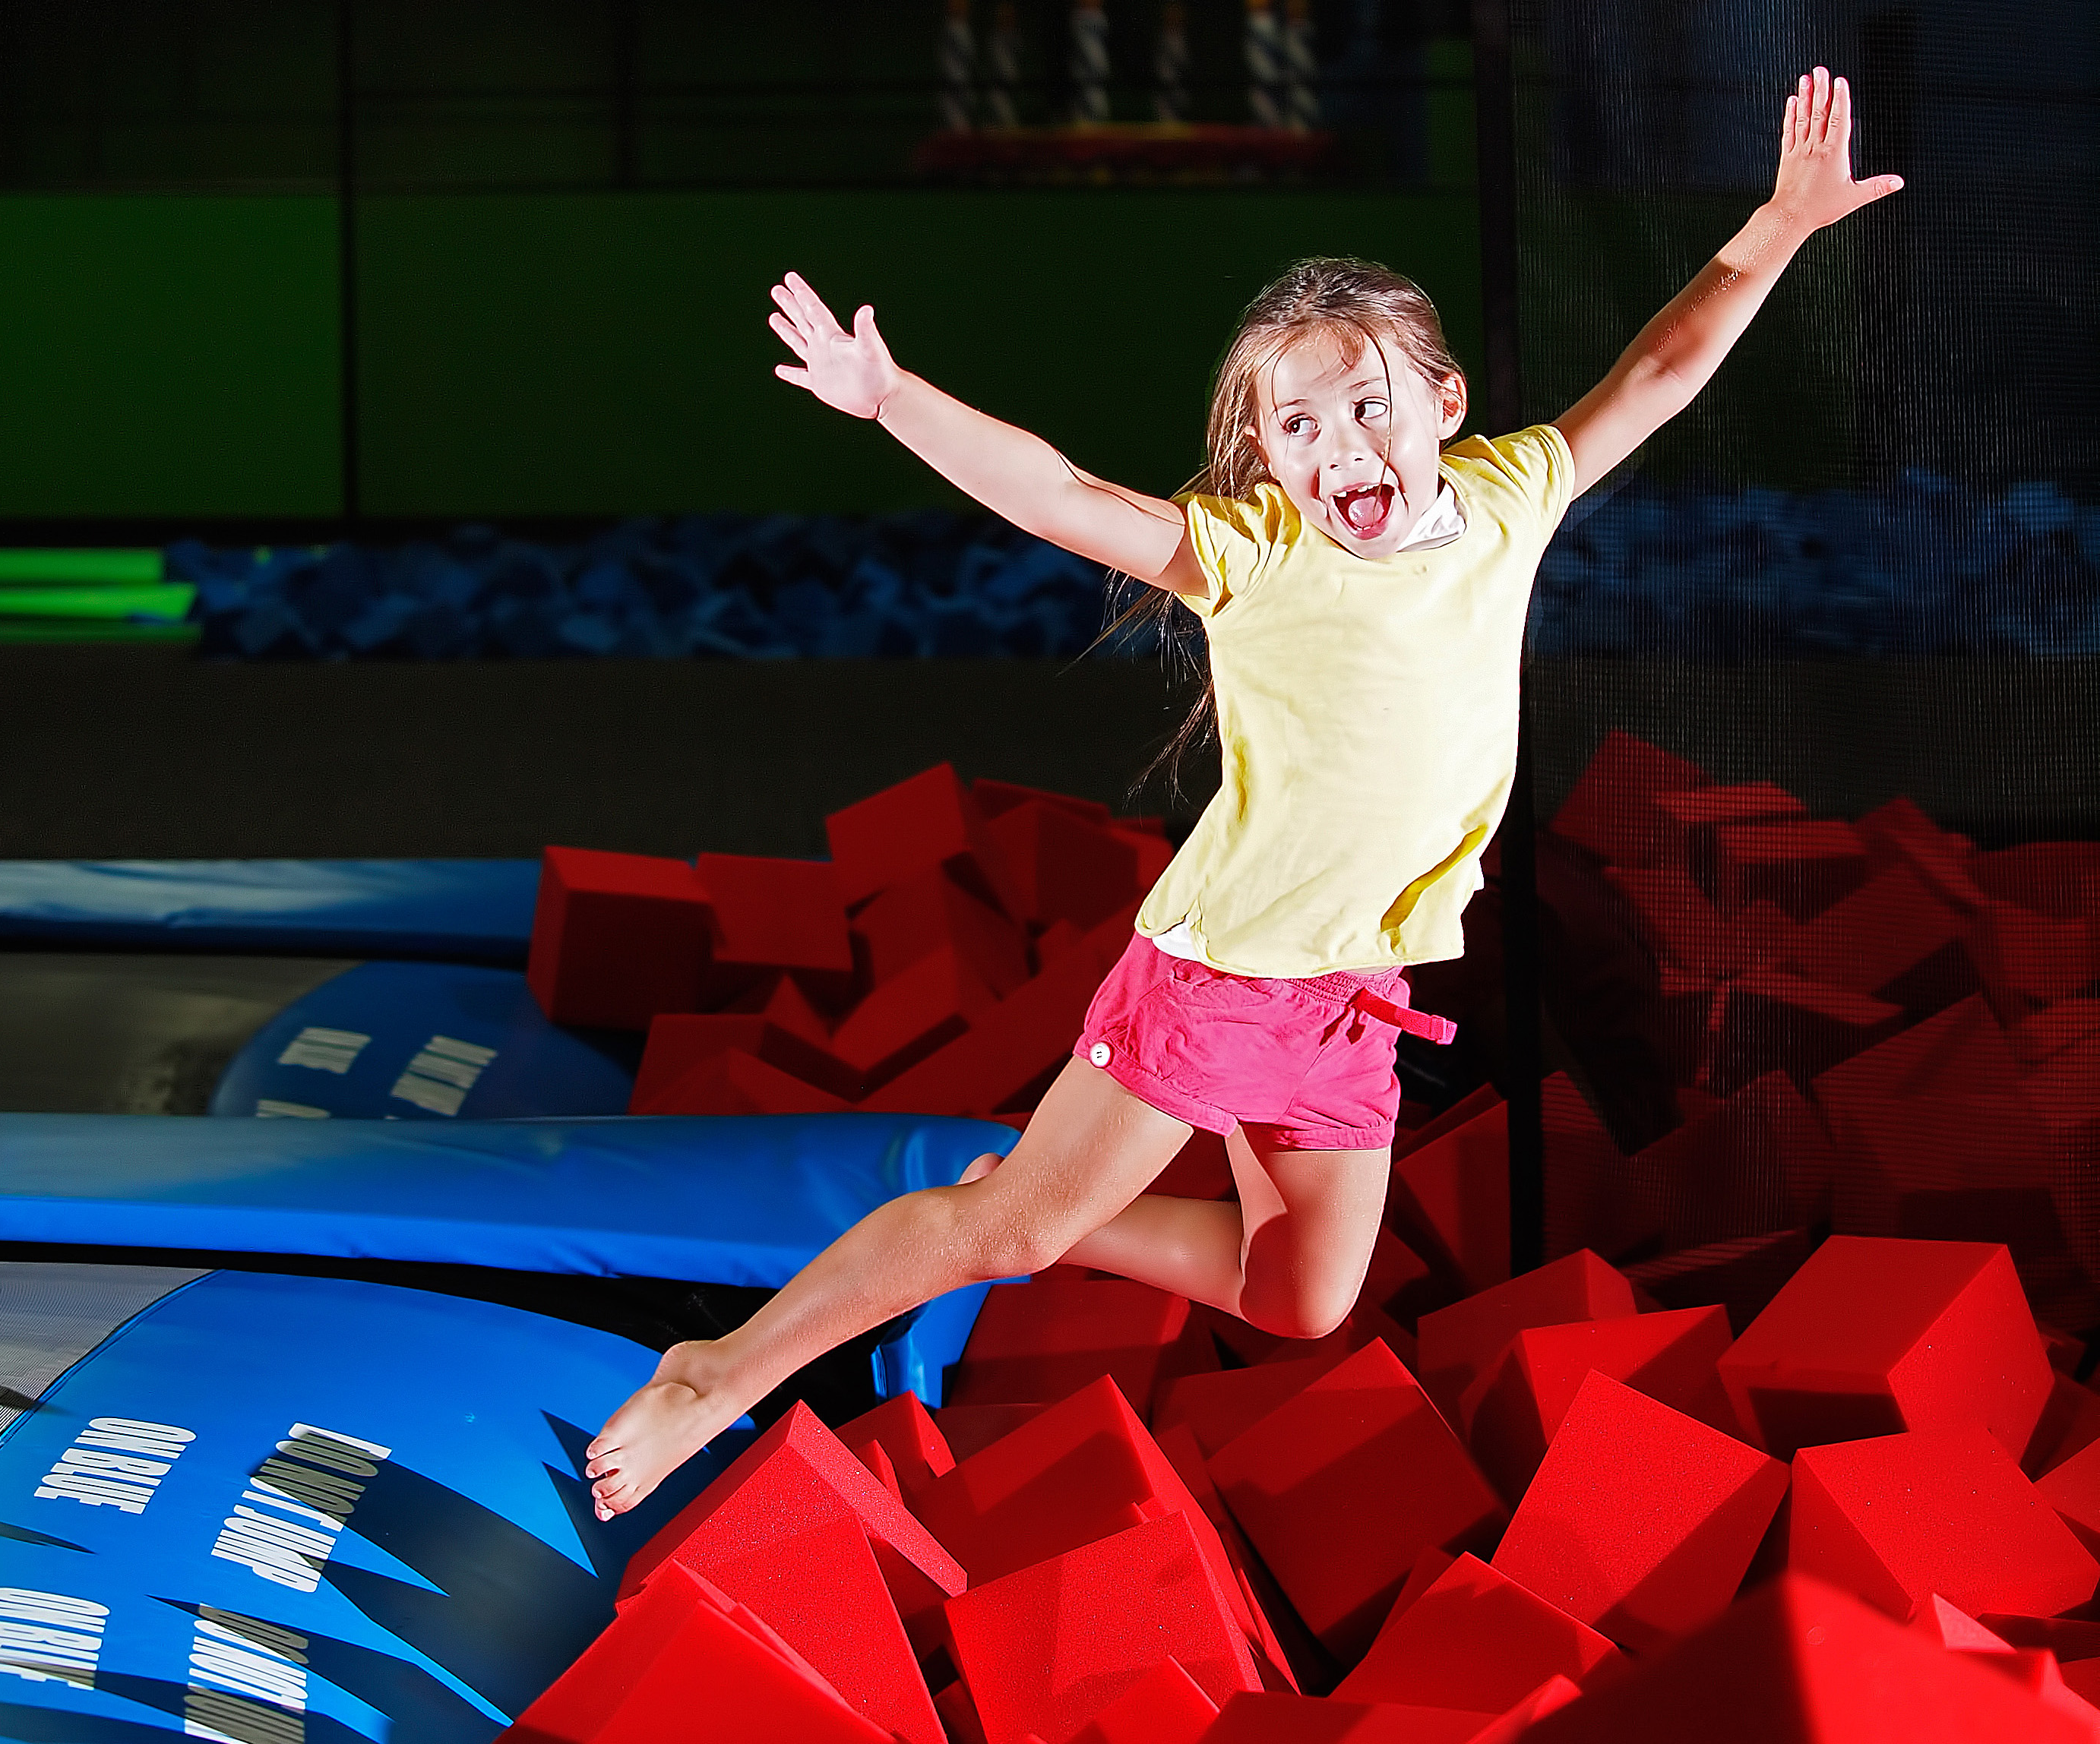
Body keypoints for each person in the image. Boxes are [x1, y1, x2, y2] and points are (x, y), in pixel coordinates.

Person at [585, 66, 1899, 1520]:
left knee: (1301, 1298)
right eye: (1298, 428)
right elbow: (1063, 494)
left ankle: (1047, 1205)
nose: (1341, 447)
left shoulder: (1510, 498)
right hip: (1221, 981)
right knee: (1006, 1235)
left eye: (1366, 404)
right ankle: (722, 1368)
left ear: (1443, 403)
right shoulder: (1258, 557)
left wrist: (1779, 223)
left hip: (1356, 993)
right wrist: (894, 399)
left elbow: (1657, 369)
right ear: (1265, 461)